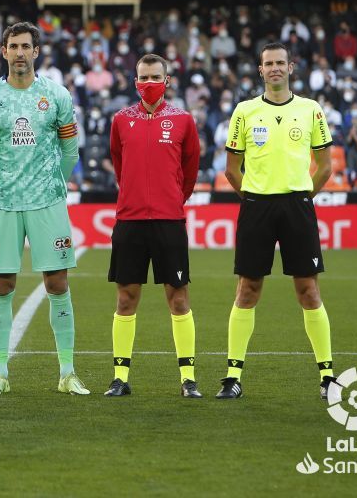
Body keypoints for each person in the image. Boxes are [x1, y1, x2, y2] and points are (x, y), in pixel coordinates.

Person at [0, 22, 87, 396]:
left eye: (26, 47)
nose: (20, 53)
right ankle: (0, 373)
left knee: (57, 282)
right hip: (3, 203)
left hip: (47, 202)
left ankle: (67, 372)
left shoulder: (56, 95)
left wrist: (56, 182)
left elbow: (70, 149)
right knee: (2, 285)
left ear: (37, 52)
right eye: (13, 46)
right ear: (3, 51)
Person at [217, 42, 336, 400]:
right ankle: (233, 376)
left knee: (309, 291)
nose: (275, 69)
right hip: (256, 207)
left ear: (291, 67)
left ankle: (328, 377)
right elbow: (231, 169)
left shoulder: (311, 110)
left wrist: (301, 197)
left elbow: (325, 165)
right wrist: (254, 197)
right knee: (247, 290)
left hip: (297, 207)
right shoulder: (245, 111)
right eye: (268, 63)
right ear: (260, 70)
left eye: (280, 62)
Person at [105, 54, 202, 398]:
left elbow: (190, 170)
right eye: (143, 77)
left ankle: (188, 379)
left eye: (155, 77)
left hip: (168, 220)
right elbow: (119, 164)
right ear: (134, 82)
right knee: (126, 298)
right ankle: (120, 378)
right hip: (130, 220)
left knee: (178, 298)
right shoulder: (120, 120)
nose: (149, 83)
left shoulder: (183, 120)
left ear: (167, 79)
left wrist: (173, 198)